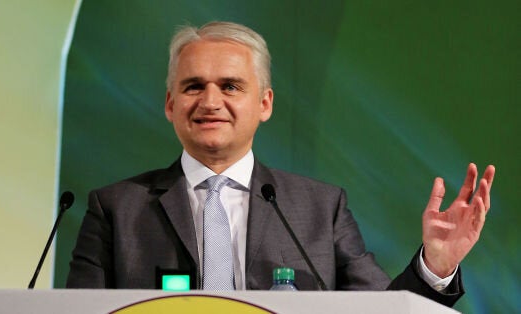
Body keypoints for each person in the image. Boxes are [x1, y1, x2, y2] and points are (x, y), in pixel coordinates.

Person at [66, 21, 495, 307]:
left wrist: (435, 266)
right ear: (170, 104)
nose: (210, 102)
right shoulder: (116, 209)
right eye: (194, 86)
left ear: (265, 103)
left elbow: (381, 313)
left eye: (230, 86)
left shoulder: (320, 208)